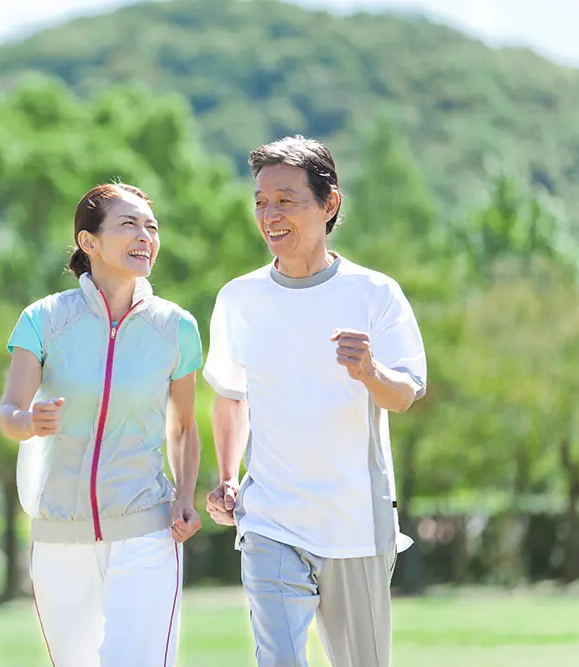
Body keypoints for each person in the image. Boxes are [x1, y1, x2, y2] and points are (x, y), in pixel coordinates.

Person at [203, 136, 427, 667]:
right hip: (270, 520)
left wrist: (370, 372)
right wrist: (228, 475)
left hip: (356, 522)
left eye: (285, 200)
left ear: (329, 204)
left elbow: (405, 396)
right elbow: (231, 395)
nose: (269, 214)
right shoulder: (239, 299)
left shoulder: (375, 294)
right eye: (260, 201)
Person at [0, 182, 204, 667]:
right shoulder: (44, 319)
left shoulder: (176, 327)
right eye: (129, 224)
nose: (145, 237)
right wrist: (29, 422)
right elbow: (8, 413)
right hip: (59, 535)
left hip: (146, 529)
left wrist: (186, 496)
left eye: (151, 227)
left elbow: (183, 427)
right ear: (89, 242)